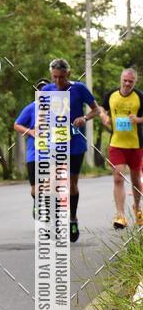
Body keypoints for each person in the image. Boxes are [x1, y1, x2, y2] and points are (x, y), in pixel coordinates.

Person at [40, 59, 101, 243]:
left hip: (75, 143)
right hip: (56, 142)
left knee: (71, 184)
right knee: (53, 182)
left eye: (61, 77)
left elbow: (96, 110)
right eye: (55, 77)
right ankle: (53, 222)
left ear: (68, 73)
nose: (58, 81)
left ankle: (72, 218)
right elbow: (42, 113)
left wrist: (84, 117)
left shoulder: (79, 88)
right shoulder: (47, 90)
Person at [99, 67, 143, 228]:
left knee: (136, 179)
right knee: (118, 177)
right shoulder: (111, 95)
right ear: (121, 79)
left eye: (130, 81)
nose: (127, 84)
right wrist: (104, 116)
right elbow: (101, 108)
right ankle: (120, 215)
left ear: (134, 82)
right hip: (117, 143)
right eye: (125, 80)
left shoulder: (139, 96)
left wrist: (138, 120)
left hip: (135, 144)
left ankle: (138, 209)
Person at [13, 80, 51, 217]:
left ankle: (46, 209)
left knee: (48, 185)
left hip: (51, 155)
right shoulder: (31, 108)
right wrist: (30, 132)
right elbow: (17, 125)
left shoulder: (58, 108)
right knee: (35, 189)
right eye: (40, 90)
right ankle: (37, 203)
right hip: (34, 154)